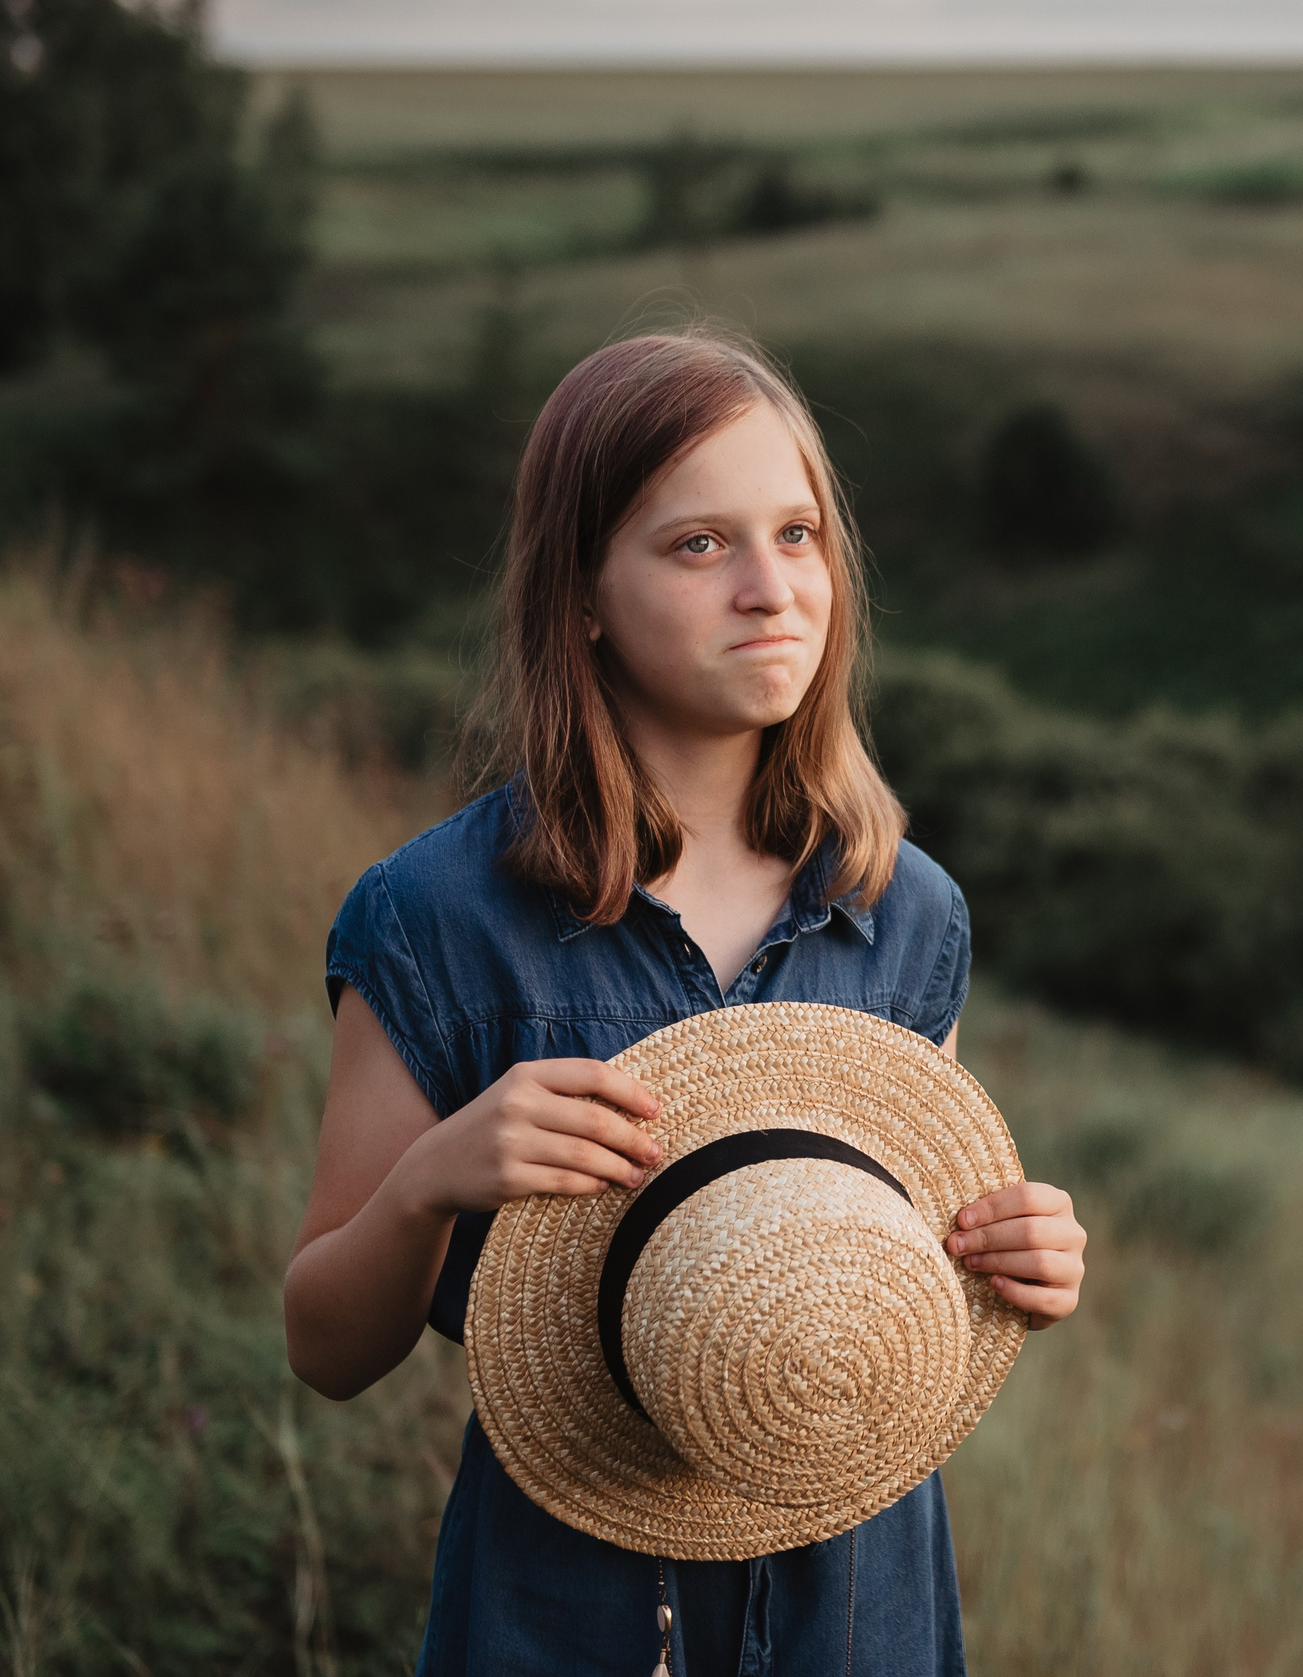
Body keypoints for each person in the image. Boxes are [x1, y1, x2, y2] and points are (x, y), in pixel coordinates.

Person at [282, 329, 1090, 1675]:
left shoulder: (905, 909)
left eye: (799, 533)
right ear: (582, 593)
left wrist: (1009, 1264)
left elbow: (887, 1287)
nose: (773, 590)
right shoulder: (439, 918)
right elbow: (324, 1345)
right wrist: (428, 1183)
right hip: (567, 1617)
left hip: (858, 1608)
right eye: (699, 546)